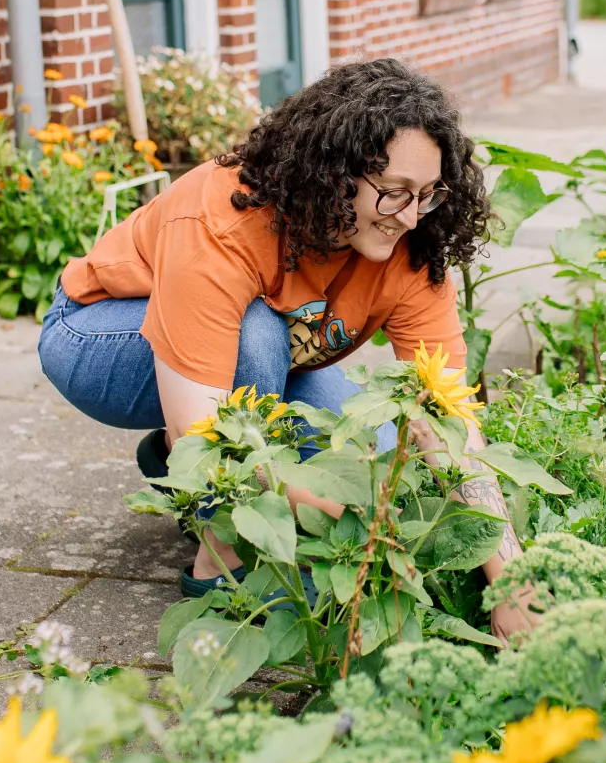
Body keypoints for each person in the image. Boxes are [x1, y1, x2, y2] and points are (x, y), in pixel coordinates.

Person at [38, 58, 536, 642]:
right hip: (96, 337)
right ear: (331, 172)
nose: (409, 217)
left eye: (426, 194)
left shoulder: (411, 248)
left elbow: (450, 420)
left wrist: (511, 584)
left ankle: (173, 466)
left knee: (376, 454)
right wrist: (341, 514)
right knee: (259, 338)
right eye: (393, 192)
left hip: (265, 364)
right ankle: (218, 559)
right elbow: (207, 435)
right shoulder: (222, 224)